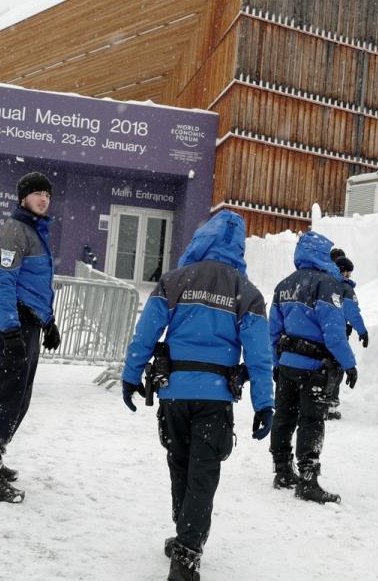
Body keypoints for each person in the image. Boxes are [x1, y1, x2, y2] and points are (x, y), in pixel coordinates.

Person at [121, 210, 274, 581]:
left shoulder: (175, 281)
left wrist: (131, 375)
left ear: (202, 238)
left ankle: (184, 532)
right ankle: (187, 553)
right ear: (239, 248)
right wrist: (264, 403)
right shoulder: (246, 292)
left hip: (175, 392)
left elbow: (146, 333)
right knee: (203, 473)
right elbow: (258, 354)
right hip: (215, 396)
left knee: (180, 463)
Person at [0, 172, 62, 503]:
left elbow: (35, 285)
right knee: (7, 394)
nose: (43, 199)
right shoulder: (15, 231)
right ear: (23, 197)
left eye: (47, 195)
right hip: (16, 324)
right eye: (37, 193)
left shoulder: (34, 232)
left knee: (20, 396)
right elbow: (3, 282)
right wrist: (10, 328)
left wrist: (49, 322)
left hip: (30, 323)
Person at [268, 231, 356, 504]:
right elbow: (333, 332)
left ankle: (282, 471)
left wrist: (276, 363)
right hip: (314, 367)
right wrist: (349, 363)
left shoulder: (283, 286)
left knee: (284, 416)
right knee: (311, 421)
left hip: (287, 365)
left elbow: (273, 331)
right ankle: (307, 479)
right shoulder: (326, 285)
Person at [325, 254, 368, 420]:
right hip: (337, 334)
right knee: (336, 367)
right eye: (349, 273)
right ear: (343, 272)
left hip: (318, 331)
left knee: (320, 367)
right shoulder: (345, 288)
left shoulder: (323, 282)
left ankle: (314, 400)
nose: (349, 276)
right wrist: (362, 331)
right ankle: (329, 405)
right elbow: (352, 313)